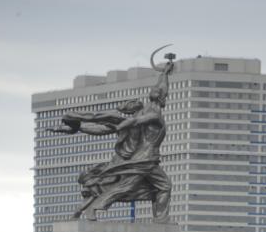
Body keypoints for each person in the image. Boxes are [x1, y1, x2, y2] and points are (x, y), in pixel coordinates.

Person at [49, 57, 174, 222]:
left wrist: (165, 73)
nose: (158, 92)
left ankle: (160, 220)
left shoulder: (150, 109)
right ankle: (95, 207)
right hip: (145, 160)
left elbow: (162, 88)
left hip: (144, 160)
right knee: (129, 187)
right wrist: (118, 126)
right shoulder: (151, 114)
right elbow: (118, 125)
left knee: (155, 187)